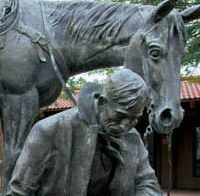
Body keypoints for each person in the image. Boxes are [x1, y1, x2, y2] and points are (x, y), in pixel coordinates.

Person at [6, 69, 163, 196]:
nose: (126, 125)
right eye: (120, 116)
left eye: (133, 119)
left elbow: (147, 182)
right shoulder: (50, 130)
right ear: (102, 102)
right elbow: (19, 191)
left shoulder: (132, 137)